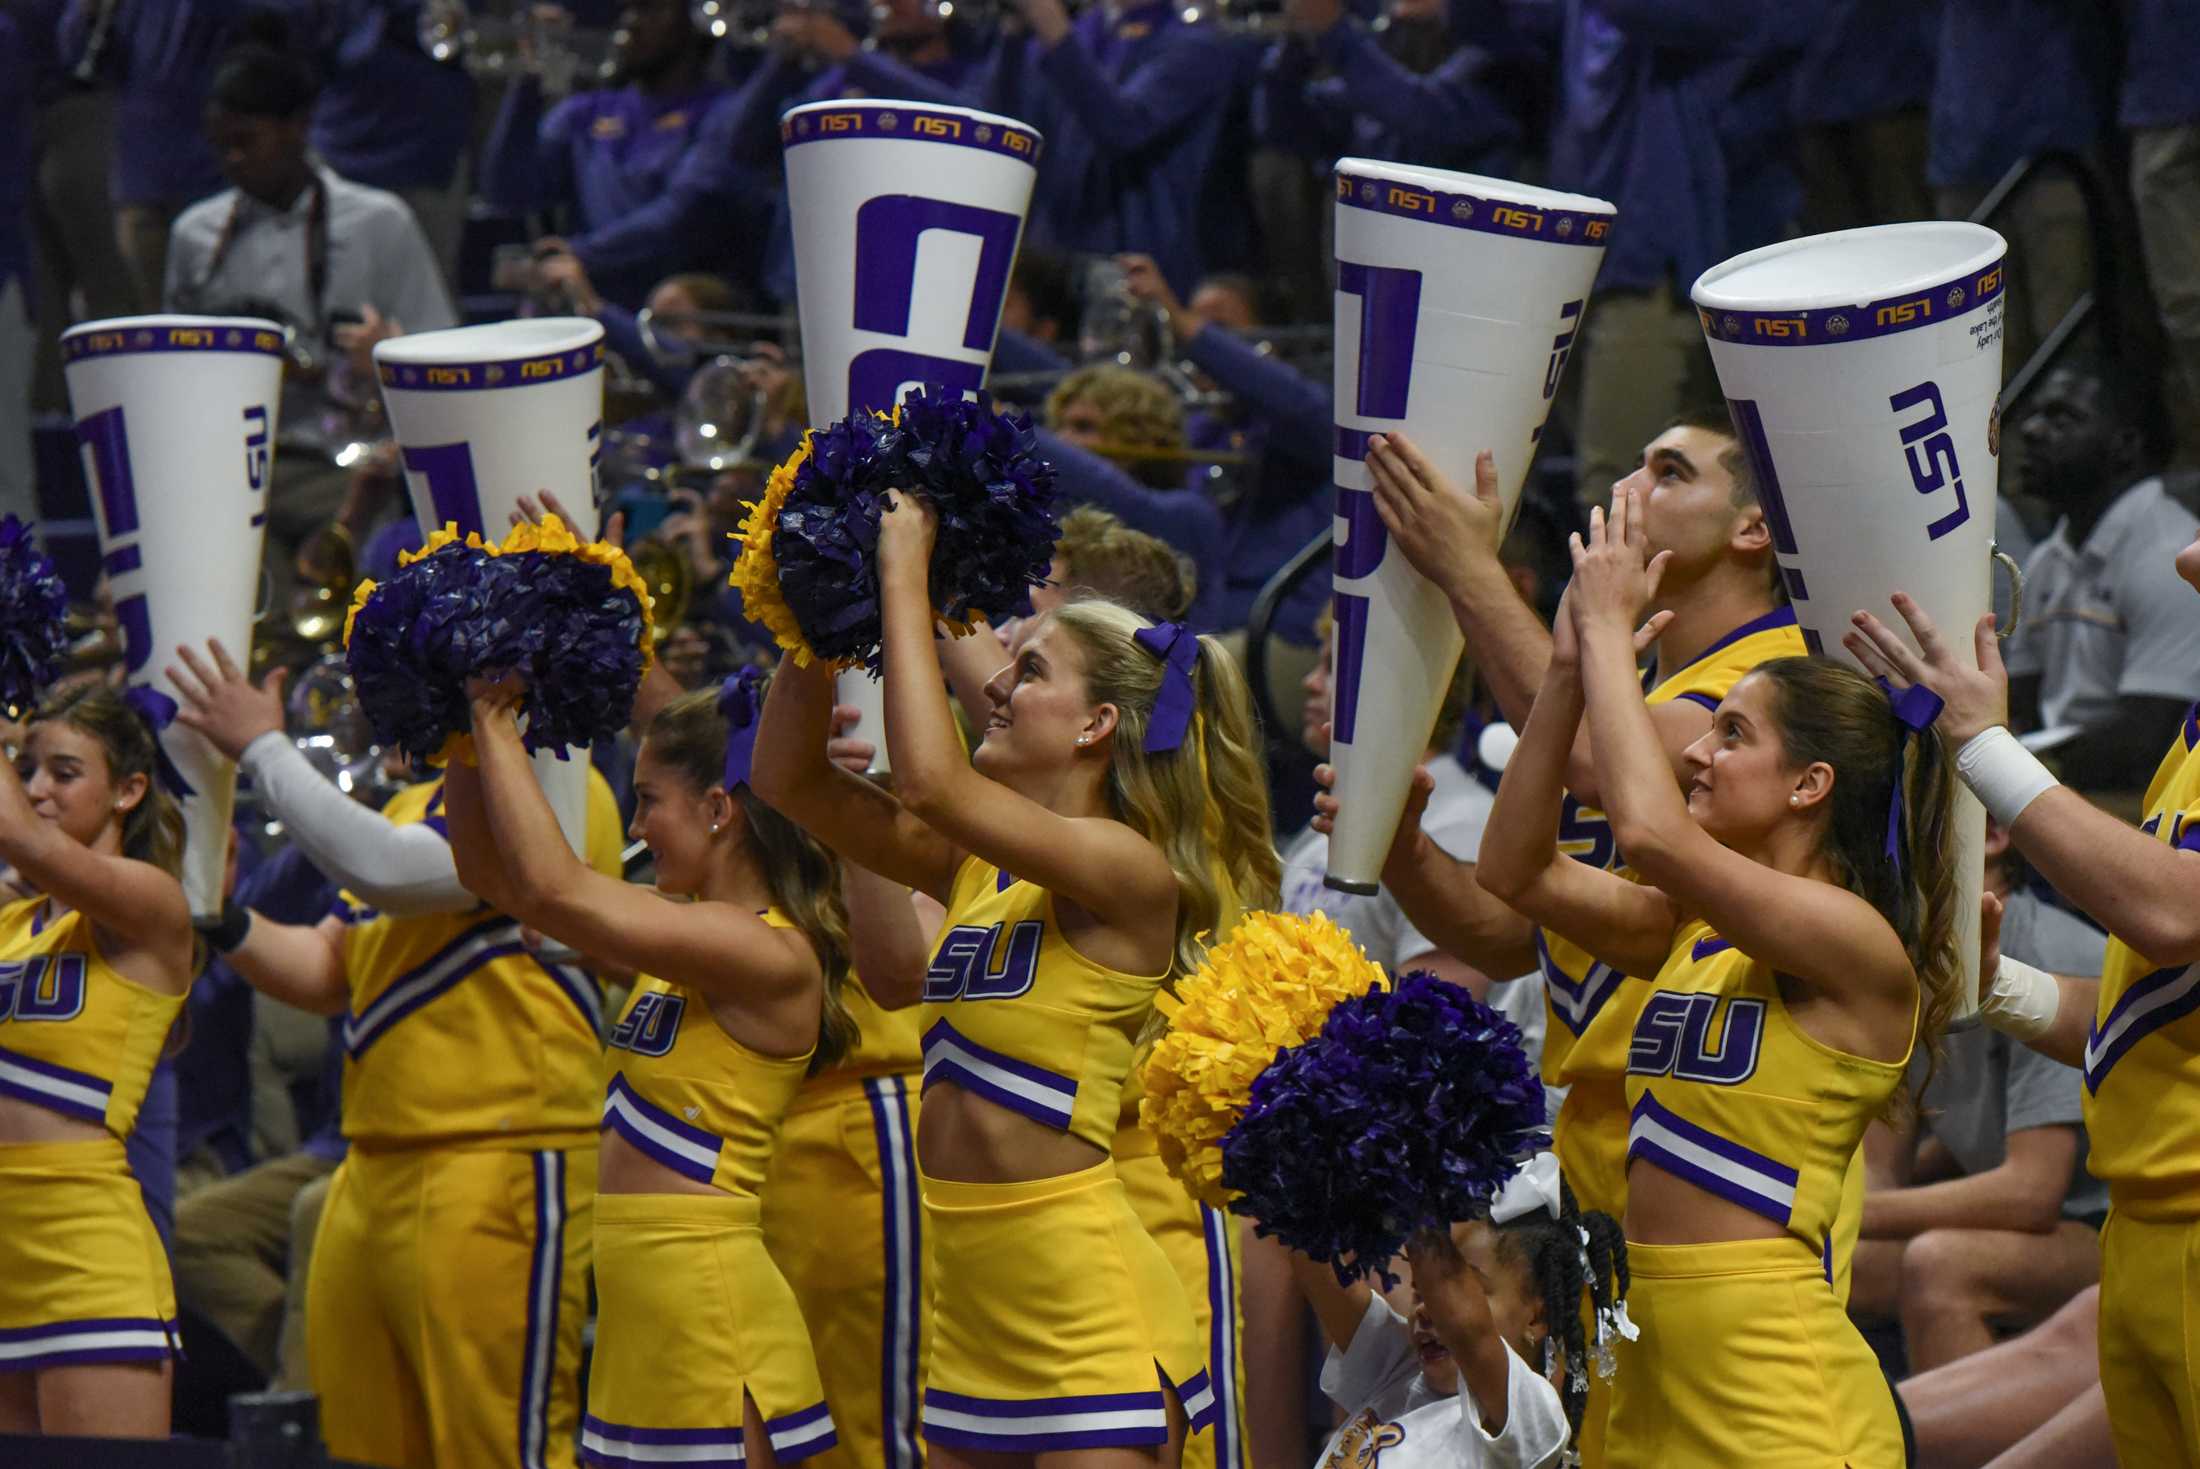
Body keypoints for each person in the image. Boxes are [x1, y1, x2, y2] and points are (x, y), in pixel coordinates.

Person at [754, 490, 1280, 1462]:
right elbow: (786, 781)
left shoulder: (1128, 869)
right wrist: (814, 612)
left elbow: (927, 779)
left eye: (1027, 670)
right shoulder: (973, 869)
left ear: (1096, 726)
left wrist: (903, 578)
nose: (996, 686)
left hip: (1089, 1313)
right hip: (966, 1313)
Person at [1342, 411, 1808, 1464]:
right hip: (1594, 1138)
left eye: (1669, 469)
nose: (1629, 482)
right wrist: (1404, 840)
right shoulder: (1636, 683)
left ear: (1750, 529)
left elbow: (1608, 766)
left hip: (1714, 1149)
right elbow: (1509, 929)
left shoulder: (1772, 685)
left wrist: (1470, 569)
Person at [1477, 489, 1961, 1466]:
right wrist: (1569, 670)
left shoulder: (1852, 940)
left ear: (1809, 784)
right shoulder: (1695, 933)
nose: (1697, 750)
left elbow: (1647, 830)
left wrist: (1612, 635)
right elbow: (1515, 869)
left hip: (1774, 1385)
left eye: (1732, 734)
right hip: (1645, 1347)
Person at [169, 639, 624, 1469]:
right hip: (372, 1163)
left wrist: (264, 749)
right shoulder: (414, 801)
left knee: (496, 1444)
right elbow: (330, 968)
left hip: (500, 1158)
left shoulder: (557, 783)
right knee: (361, 1445)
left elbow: (388, 870)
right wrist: (217, 914)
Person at [1844, 520, 2200, 1469]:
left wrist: (1987, 746)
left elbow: (2177, 914)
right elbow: (2141, 1009)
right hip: (2145, 1227)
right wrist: (1990, 985)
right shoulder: (2190, 743)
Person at [442, 670, 850, 1469]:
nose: (636, 825)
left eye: (647, 800)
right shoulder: (687, 939)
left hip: (710, 1315)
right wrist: (460, 733)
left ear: (717, 808)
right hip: (641, 1318)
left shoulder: (767, 950)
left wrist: (495, 714)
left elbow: (552, 887)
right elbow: (487, 877)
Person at [163, 42, 457, 553]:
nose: (231, 160)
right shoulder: (196, 234)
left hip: (347, 463)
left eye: (245, 141)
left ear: (298, 127)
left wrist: (390, 356)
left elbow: (446, 357)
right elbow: (172, 372)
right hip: (232, 467)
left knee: (352, 561)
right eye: (220, 145)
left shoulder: (379, 222)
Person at [0, 684, 197, 1436]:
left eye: (63, 770)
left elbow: (29, 842)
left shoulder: (152, 904)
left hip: (82, 1248)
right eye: (27, 768)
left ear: (129, 790)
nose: (38, 788)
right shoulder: (13, 918)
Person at [1849, 820, 2107, 1373]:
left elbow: (2031, 1193)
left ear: (1992, 836)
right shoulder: (1909, 957)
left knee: (1941, 1265)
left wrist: (1836, 1208)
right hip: (2020, 1216)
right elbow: (1883, 1164)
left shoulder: (2047, 954)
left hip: (2104, 1224)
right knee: (1830, 1262)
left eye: (1916, 811)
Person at [1295, 1155, 1624, 1469]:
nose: (1427, 1308)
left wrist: (1414, 1152)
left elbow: (1467, 1328)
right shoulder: (1399, 1369)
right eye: (1419, 1293)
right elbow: (1314, 1260)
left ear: (1536, 1318)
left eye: (1465, 1289)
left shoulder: (1531, 1416)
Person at [1998, 364, 2200, 792]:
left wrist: (2024, 773)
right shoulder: (2050, 556)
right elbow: (2022, 697)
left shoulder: (2172, 553)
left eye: (2062, 418)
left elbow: (2154, 734)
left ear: (2124, 445)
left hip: (2147, 793)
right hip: (2067, 777)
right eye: (2034, 414)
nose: (2031, 430)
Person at [481, 0, 760, 309]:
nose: (631, 22)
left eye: (650, 10)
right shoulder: (587, 111)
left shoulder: (723, 112)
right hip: (586, 296)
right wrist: (527, 78)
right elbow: (506, 192)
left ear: (694, 23)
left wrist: (580, 253)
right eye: (628, 9)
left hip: (673, 307)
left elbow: (680, 215)